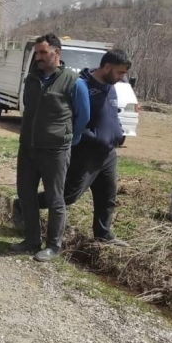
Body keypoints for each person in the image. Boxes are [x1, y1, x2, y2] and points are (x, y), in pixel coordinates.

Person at [37, 50, 132, 247]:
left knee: (107, 195)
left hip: (108, 152)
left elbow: (110, 114)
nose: (122, 77)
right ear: (106, 67)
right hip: (87, 152)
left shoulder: (111, 85)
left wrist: (118, 131)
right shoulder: (82, 85)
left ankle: (102, 233)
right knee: (70, 195)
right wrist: (94, 137)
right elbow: (71, 119)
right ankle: (26, 204)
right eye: (119, 72)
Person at [11, 34, 90, 262]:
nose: (39, 57)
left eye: (43, 53)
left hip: (55, 151)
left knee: (56, 199)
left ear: (57, 53)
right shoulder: (32, 78)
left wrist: (68, 140)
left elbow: (83, 117)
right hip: (28, 148)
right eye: (37, 53)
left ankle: (53, 246)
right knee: (26, 195)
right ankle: (31, 241)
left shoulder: (73, 82)